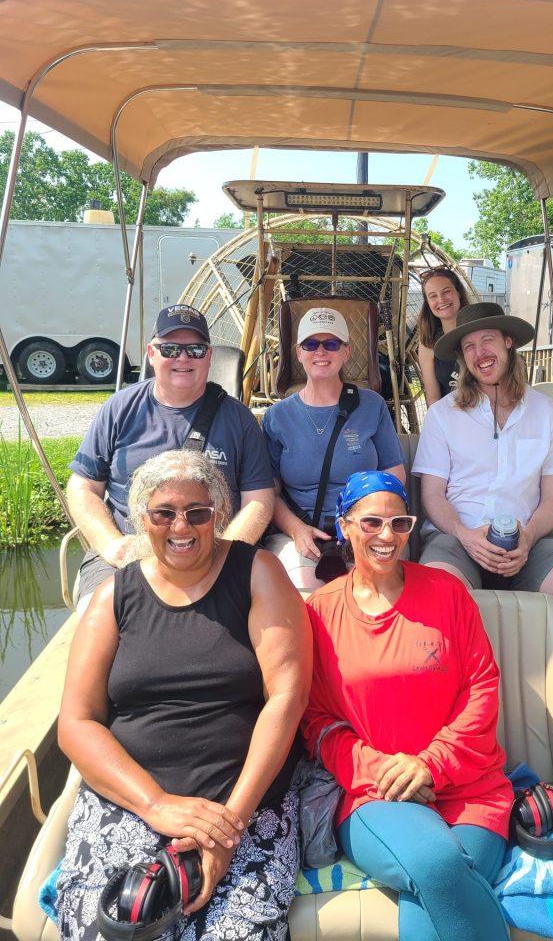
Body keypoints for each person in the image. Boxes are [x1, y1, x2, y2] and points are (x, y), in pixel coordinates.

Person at [56, 450, 311, 941]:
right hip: (129, 804)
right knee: (108, 927)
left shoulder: (257, 573)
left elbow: (287, 698)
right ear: (140, 519)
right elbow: (76, 722)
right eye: (164, 513)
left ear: (217, 516)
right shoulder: (115, 595)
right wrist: (154, 804)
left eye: (198, 512)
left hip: (244, 807)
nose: (182, 526)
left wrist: (227, 829)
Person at [302, 471, 512, 941]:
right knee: (437, 863)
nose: (387, 536)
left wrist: (430, 765)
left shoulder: (447, 592)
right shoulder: (319, 612)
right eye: (372, 522)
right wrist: (383, 770)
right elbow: (316, 721)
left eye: (399, 523)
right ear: (345, 527)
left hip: (470, 789)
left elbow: (481, 687)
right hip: (375, 793)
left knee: (440, 888)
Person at [413, 302, 553, 676]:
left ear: (508, 343)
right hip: (458, 540)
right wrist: (467, 536)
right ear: (463, 358)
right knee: (436, 597)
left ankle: (548, 690)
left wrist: (528, 537)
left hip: (529, 543)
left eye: (487, 340)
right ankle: (465, 700)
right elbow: (432, 496)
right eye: (469, 346)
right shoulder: (442, 415)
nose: (479, 352)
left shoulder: (549, 414)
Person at [67, 303, 274, 608]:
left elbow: (260, 499)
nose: (183, 358)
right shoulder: (119, 409)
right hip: (132, 550)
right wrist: (110, 544)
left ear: (209, 355)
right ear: (151, 354)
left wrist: (225, 554)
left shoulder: (239, 419)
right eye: (170, 349)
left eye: (195, 350)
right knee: (97, 621)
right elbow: (82, 486)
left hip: (212, 550)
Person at [261, 306, 405, 589]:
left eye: (331, 344)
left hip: (365, 529)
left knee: (373, 593)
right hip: (299, 532)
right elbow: (269, 493)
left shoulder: (372, 405)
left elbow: (395, 476)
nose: (321, 352)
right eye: (311, 344)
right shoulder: (277, 417)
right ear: (298, 352)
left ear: (346, 352)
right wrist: (296, 529)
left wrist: (366, 523)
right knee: (302, 592)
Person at [417, 267, 471, 406]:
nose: (441, 299)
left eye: (446, 291)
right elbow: (433, 399)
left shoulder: (478, 331)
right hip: (452, 419)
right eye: (433, 296)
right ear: (428, 303)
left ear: (458, 293)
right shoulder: (428, 343)